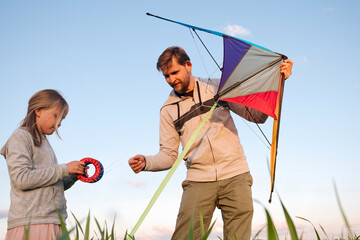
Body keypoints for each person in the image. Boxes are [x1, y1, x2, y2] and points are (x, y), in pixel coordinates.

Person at [129, 46, 293, 239]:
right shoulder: (167, 110)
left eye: (175, 72)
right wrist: (147, 162)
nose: (171, 80)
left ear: (188, 65)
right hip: (198, 181)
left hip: (236, 175)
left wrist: (278, 82)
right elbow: (169, 156)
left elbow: (256, 116)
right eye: (166, 76)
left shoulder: (219, 88)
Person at [1, 89, 87, 240]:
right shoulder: (21, 137)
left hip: (53, 221)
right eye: (56, 116)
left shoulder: (44, 144)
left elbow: (52, 184)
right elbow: (21, 179)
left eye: (62, 119)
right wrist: (64, 168)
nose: (59, 123)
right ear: (38, 111)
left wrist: (73, 175)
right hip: (32, 223)